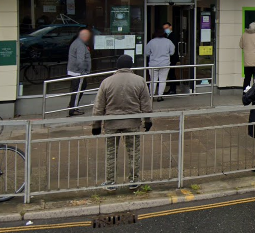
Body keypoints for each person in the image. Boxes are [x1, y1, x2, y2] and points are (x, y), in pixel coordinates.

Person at [91, 54, 153, 191]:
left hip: (111, 123)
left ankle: (110, 182)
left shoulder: (107, 82)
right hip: (132, 123)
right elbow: (146, 104)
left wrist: (96, 125)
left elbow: (99, 106)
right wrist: (147, 120)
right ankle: (133, 180)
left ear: (117, 66)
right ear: (131, 66)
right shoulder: (140, 81)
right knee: (133, 153)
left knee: (111, 153)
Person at [66, 28, 92, 116]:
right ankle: (73, 109)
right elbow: (80, 60)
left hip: (74, 71)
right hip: (78, 72)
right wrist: (83, 71)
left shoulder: (77, 43)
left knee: (81, 87)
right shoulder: (80, 45)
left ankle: (72, 105)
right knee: (77, 90)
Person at [146, 29, 175, 101]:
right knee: (162, 80)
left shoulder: (151, 42)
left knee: (153, 80)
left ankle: (151, 96)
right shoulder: (168, 41)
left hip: (153, 64)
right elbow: (172, 52)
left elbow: (146, 53)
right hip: (165, 63)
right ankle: (160, 96)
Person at [162, 22, 181, 95]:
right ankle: (171, 88)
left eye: (167, 28)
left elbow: (173, 47)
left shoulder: (173, 35)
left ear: (171, 27)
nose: (166, 29)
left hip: (172, 58)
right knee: (170, 73)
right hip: (167, 58)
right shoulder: (165, 36)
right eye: (164, 28)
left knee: (171, 73)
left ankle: (173, 89)